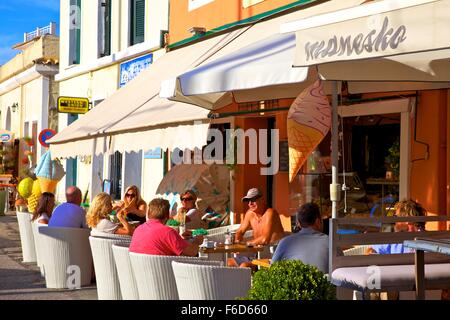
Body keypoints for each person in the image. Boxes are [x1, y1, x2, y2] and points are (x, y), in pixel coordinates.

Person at [229, 188, 286, 268]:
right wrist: (237, 242)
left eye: (253, 200)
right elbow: (240, 231)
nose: (250, 203)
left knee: (244, 266)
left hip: (271, 256)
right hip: (256, 254)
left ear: (262, 199)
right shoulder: (250, 214)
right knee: (228, 262)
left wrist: (246, 244)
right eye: (248, 201)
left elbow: (265, 240)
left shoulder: (270, 213)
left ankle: (242, 280)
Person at [129, 198, 204, 256]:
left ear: (148, 214)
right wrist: (197, 241)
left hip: (139, 273)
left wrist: (179, 239)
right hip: (165, 274)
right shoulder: (168, 232)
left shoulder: (138, 229)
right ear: (167, 215)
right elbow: (192, 252)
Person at [272, 202, 329, 273]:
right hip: (323, 283)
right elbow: (340, 271)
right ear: (317, 221)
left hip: (292, 283)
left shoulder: (285, 242)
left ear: (299, 223)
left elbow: (273, 268)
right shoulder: (330, 242)